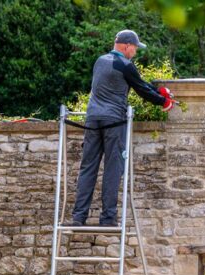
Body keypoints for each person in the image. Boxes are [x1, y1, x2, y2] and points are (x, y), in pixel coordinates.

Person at [66, 29, 174, 227]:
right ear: (126, 46)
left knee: (88, 167)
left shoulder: (99, 61)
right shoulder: (125, 64)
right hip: (113, 122)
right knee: (112, 169)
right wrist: (164, 102)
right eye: (134, 48)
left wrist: (157, 90)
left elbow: (136, 81)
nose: (135, 52)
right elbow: (140, 88)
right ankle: (107, 218)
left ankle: (78, 217)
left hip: (92, 121)